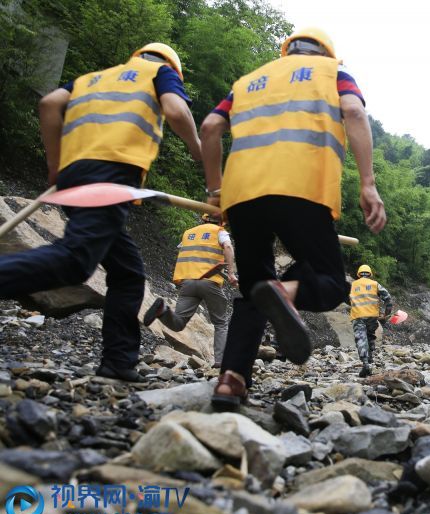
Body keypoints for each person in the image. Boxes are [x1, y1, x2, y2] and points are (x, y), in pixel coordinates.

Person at [200, 27, 386, 409]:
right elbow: (353, 110)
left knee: (254, 289)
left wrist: (216, 190)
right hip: (301, 187)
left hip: (242, 195)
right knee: (332, 282)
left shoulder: (249, 82)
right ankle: (283, 294)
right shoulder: (332, 71)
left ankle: (231, 381)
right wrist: (368, 184)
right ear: (324, 52)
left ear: (286, 52)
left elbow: (210, 127)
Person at [0, 43, 202, 382]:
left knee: (128, 273)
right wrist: (199, 152)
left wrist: (55, 165)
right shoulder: (159, 72)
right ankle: (118, 362)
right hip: (109, 177)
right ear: (172, 69)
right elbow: (178, 112)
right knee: (75, 260)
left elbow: (49, 104)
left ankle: (118, 363)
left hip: (77, 176)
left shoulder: (92, 79)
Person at [143, 213, 238, 367]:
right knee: (220, 323)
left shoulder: (189, 233)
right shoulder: (220, 232)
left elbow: (183, 249)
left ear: (203, 218)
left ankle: (162, 310)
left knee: (178, 323)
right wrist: (231, 274)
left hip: (187, 282)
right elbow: (227, 246)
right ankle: (221, 361)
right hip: (209, 282)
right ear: (222, 221)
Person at [349, 264, 393, 377]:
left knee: (361, 338)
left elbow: (346, 299)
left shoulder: (352, 285)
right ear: (370, 274)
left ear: (358, 274)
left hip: (358, 316)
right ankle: (370, 358)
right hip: (372, 316)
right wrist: (386, 314)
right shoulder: (375, 284)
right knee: (369, 336)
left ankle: (365, 364)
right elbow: (388, 298)